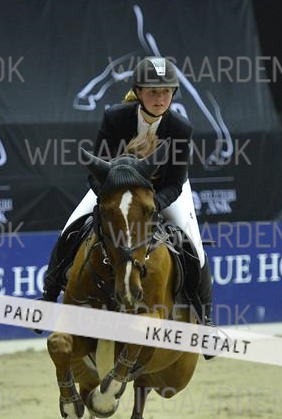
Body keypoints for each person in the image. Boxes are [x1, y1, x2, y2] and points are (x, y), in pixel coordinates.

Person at [40, 56, 214, 329]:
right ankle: (49, 298)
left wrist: (151, 205)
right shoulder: (116, 117)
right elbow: (96, 171)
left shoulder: (180, 128)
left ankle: (205, 318)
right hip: (115, 188)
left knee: (193, 244)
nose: (160, 98)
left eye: (166, 91)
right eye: (153, 91)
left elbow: (175, 183)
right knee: (71, 228)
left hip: (162, 189)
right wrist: (110, 197)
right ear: (139, 92)